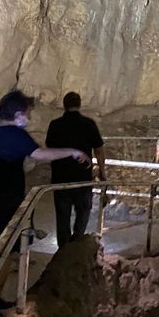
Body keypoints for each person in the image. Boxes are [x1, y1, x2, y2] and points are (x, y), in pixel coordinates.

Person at [0, 90, 90, 315]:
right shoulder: (17, 136)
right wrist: (72, 151)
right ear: (17, 114)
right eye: (28, 113)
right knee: (5, 251)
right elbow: (41, 155)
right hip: (7, 205)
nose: (29, 118)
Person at [46, 92, 105, 249]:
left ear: (64, 105)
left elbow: (50, 149)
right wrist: (102, 173)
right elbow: (99, 150)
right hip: (82, 177)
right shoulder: (88, 124)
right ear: (79, 105)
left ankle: (63, 250)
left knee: (62, 216)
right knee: (83, 212)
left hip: (60, 178)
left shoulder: (55, 124)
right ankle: (77, 243)